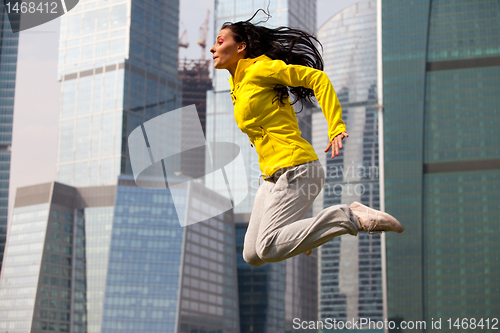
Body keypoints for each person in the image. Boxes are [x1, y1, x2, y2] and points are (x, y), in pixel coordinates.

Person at [209, 12, 404, 267]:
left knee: (267, 247)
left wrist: (335, 126)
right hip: (271, 179)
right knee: (252, 255)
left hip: (297, 169)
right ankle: (304, 236)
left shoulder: (261, 69)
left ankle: (351, 216)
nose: (213, 47)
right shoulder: (238, 85)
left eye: (220, 41)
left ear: (241, 47)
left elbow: (317, 79)